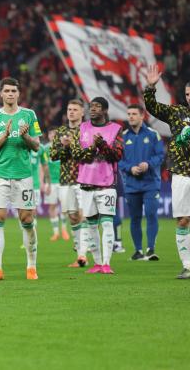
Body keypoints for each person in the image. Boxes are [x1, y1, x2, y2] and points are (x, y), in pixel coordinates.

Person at [0, 77, 41, 281]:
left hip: (23, 174)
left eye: (13, 91)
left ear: (19, 93)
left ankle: (31, 266)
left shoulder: (29, 115)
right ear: (0, 93)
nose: (10, 94)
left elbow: (36, 146)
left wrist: (25, 136)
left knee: (27, 219)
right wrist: (5, 136)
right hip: (0, 174)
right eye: (6, 91)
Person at [143, 65, 190, 279]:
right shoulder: (177, 112)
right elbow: (152, 107)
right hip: (181, 173)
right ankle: (187, 266)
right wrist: (150, 87)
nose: (189, 97)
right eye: (188, 94)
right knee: (182, 220)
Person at [71, 97, 123, 274]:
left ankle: (107, 263)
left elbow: (117, 155)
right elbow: (77, 154)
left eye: (97, 107)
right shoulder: (82, 128)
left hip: (106, 184)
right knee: (91, 225)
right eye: (91, 106)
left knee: (107, 223)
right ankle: (97, 263)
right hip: (86, 183)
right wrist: (94, 147)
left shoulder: (115, 130)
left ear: (105, 110)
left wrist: (103, 145)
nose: (93, 109)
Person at [118, 104, 164, 261]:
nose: (130, 116)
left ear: (142, 116)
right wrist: (130, 169)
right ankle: (138, 251)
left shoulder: (152, 134)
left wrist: (148, 164)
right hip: (131, 184)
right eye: (128, 113)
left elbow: (160, 155)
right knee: (135, 218)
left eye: (134, 114)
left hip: (150, 183)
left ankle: (151, 249)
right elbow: (118, 161)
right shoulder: (123, 136)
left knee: (151, 215)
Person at [50, 99, 86, 267]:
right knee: (72, 217)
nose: (71, 112)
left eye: (75, 109)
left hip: (84, 178)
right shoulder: (61, 131)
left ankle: (85, 253)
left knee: (84, 216)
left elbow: (89, 153)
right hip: (65, 179)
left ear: (82, 112)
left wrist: (73, 145)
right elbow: (53, 155)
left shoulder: (88, 130)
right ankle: (80, 255)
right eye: (69, 109)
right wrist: (65, 147)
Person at [43, 129, 69, 241]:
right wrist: (46, 183)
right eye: (50, 134)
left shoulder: (64, 147)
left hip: (64, 182)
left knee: (65, 206)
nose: (52, 136)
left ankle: (64, 229)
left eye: (54, 134)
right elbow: (44, 166)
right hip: (51, 183)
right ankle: (56, 232)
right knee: (52, 206)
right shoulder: (45, 149)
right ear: (48, 136)